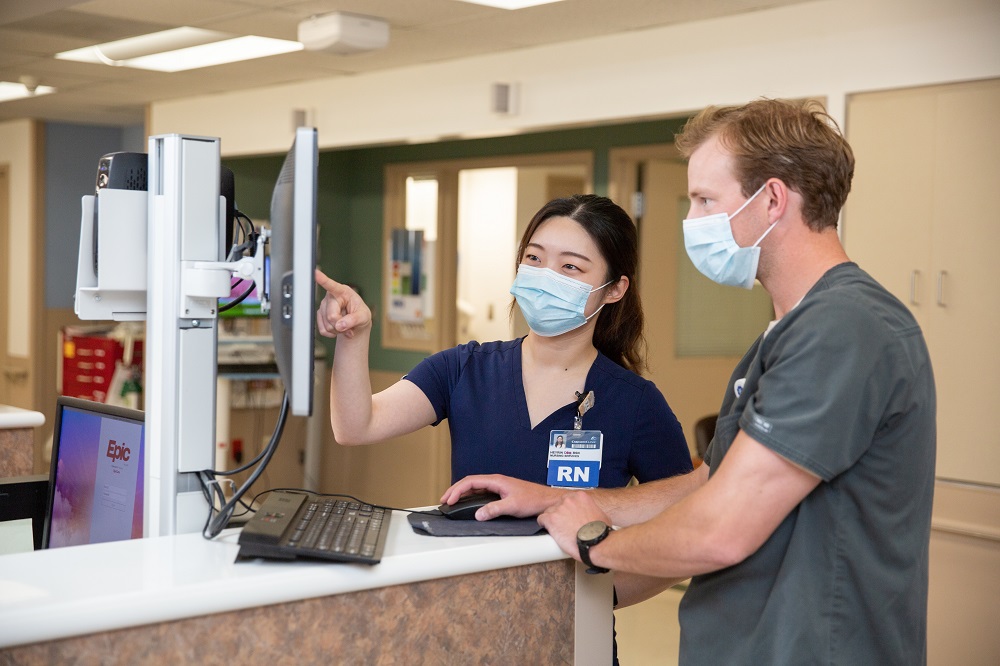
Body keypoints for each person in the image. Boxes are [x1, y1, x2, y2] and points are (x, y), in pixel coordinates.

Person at [441, 99, 937, 665]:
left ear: (772, 199)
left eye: (705, 200)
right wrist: (558, 498)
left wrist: (596, 542)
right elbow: (711, 482)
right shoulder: (785, 335)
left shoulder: (843, 329)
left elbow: (721, 529)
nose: (692, 219)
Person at [314, 194, 692, 491]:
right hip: (472, 584)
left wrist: (611, 592)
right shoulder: (463, 370)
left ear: (614, 290)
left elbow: (680, 515)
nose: (545, 276)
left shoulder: (635, 403)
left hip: (577, 590)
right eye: (534, 257)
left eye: (570, 267)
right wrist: (353, 335)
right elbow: (355, 427)